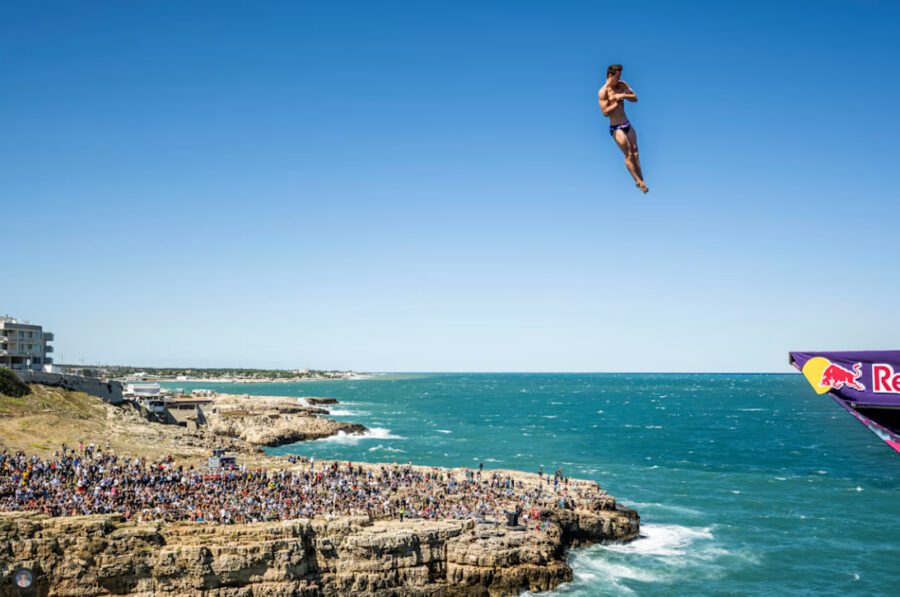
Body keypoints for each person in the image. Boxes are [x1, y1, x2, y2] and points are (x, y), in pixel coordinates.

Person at [599, 64, 648, 193]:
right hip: (616, 127)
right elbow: (605, 112)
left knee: (636, 153)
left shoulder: (621, 85)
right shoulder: (603, 91)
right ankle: (637, 180)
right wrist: (615, 103)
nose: (619, 79)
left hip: (626, 123)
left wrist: (622, 96)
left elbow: (635, 98)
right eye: (618, 76)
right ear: (611, 75)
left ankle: (642, 182)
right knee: (629, 154)